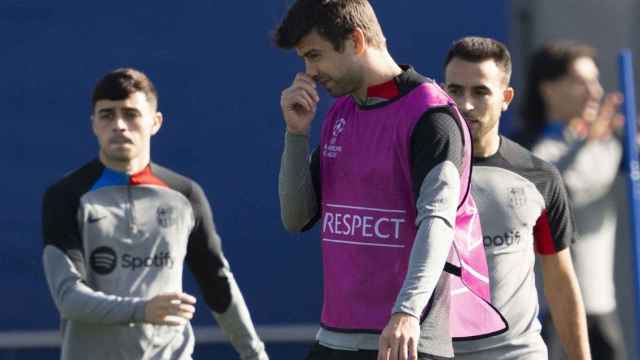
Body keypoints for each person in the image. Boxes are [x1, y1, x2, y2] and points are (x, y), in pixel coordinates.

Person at [274, 1, 505, 360]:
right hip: (333, 340)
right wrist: (296, 134)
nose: (309, 72)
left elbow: (438, 223)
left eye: (315, 55)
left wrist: (407, 313)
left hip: (403, 342)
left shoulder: (431, 116)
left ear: (356, 40)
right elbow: (296, 218)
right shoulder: (342, 112)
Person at [41, 68, 269, 360]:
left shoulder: (185, 194)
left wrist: (256, 355)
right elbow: (68, 299)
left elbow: (218, 283)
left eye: (131, 114)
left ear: (155, 122)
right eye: (107, 115)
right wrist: (143, 310)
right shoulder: (66, 195)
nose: (120, 125)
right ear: (93, 124)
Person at [443, 37, 591, 360]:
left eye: (480, 91)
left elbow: (561, 280)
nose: (466, 104)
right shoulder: (416, 174)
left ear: (506, 98)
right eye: (455, 90)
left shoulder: (540, 177)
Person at [519, 41, 627, 360]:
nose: (595, 92)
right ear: (548, 89)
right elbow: (559, 189)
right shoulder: (526, 148)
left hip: (600, 306)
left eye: (595, 81)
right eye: (581, 82)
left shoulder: (607, 143)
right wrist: (589, 144)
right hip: (547, 311)